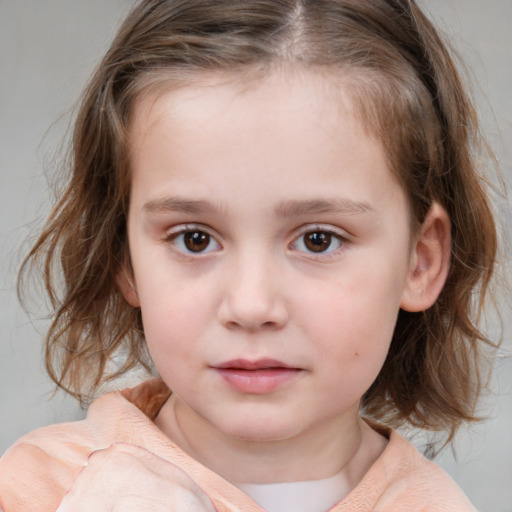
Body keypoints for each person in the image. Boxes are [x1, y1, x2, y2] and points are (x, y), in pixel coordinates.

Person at [0, 0, 499, 510]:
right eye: (195, 239)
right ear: (123, 257)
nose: (251, 305)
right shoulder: (41, 489)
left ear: (420, 261)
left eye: (318, 240)